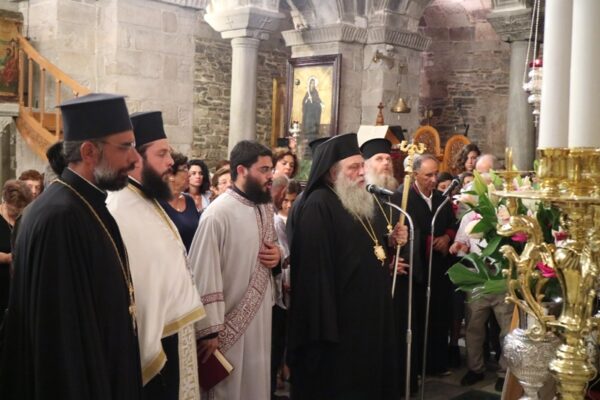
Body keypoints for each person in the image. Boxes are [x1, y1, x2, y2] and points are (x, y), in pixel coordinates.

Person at [0, 92, 143, 399]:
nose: (135, 159)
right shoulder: (60, 217)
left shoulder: (85, 204)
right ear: (89, 151)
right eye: (125, 146)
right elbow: (60, 344)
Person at [288, 133, 407, 400]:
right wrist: (327, 330)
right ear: (332, 173)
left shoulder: (355, 199)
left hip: (367, 318)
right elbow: (314, 275)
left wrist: (389, 242)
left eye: (361, 166)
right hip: (342, 324)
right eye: (353, 167)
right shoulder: (318, 204)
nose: (362, 173)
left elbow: (361, 247)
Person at [106, 111, 205, 400]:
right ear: (135, 158)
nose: (171, 161)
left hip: (173, 331)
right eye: (162, 154)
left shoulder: (147, 199)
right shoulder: (120, 208)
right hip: (154, 340)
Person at [189, 140, 281, 400]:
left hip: (261, 320)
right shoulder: (217, 214)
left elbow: (272, 251)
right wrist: (209, 330)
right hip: (225, 327)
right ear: (241, 170)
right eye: (264, 169)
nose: (270, 176)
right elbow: (203, 271)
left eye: (271, 169)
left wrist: (278, 256)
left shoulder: (265, 207)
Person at [392, 154, 457, 379]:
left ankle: (436, 363)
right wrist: (429, 242)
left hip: (439, 268)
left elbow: (452, 225)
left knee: (438, 314)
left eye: (436, 174)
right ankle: (416, 367)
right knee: (417, 317)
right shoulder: (403, 198)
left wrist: (446, 238)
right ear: (415, 175)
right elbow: (403, 231)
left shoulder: (441, 199)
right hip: (416, 269)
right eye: (428, 175)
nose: (434, 179)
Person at [0, 180, 32, 325]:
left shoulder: (27, 218)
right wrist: (8, 258)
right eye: (14, 209)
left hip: (20, 289)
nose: (18, 212)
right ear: (5, 201)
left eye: (22, 208)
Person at [161, 151, 200, 251]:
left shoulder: (189, 200)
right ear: (171, 175)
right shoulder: (158, 204)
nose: (189, 174)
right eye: (185, 169)